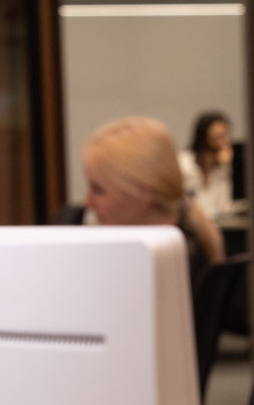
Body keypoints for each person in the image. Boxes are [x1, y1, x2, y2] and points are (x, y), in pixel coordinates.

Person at [82, 116, 220, 289]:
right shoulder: (187, 250)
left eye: (98, 190)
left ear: (143, 193)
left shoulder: (154, 270)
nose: (87, 202)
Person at [180, 111, 243, 225]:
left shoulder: (225, 163)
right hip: (192, 221)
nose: (223, 142)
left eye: (225, 136)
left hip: (219, 222)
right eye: (217, 137)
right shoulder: (185, 160)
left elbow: (224, 205)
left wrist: (225, 167)